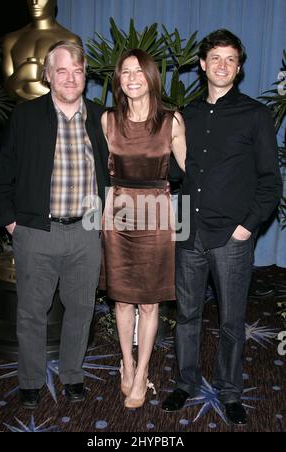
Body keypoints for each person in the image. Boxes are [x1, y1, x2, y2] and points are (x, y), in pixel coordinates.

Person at [162, 29, 283, 425]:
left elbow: (270, 181)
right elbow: (176, 173)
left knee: (231, 321)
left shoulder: (254, 115)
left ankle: (230, 391)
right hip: (189, 232)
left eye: (231, 59)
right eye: (216, 57)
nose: (223, 65)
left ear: (239, 67)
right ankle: (185, 382)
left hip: (232, 237)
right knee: (187, 316)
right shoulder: (187, 115)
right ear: (202, 64)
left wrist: (247, 228)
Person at [0, 41, 110, 408]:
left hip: (87, 232)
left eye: (77, 71)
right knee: (31, 311)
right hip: (36, 232)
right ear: (47, 75)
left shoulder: (101, 117)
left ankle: (72, 375)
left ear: (85, 74)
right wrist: (12, 223)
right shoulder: (26, 117)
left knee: (81, 309)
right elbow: (4, 172)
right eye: (62, 71)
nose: (71, 78)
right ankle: (29, 380)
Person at [99, 49, 187, 409]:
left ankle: (142, 372)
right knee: (121, 299)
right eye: (125, 72)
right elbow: (99, 172)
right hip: (118, 213)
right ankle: (127, 361)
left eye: (138, 71)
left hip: (156, 214)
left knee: (150, 303)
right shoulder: (108, 120)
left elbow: (194, 171)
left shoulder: (172, 122)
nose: (132, 77)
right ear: (118, 80)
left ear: (151, 77)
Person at [2, 0, 82, 102]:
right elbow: (8, 91)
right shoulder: (11, 40)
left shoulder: (69, 40)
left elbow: (72, 90)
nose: (34, 2)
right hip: (21, 114)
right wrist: (21, 74)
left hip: (55, 115)